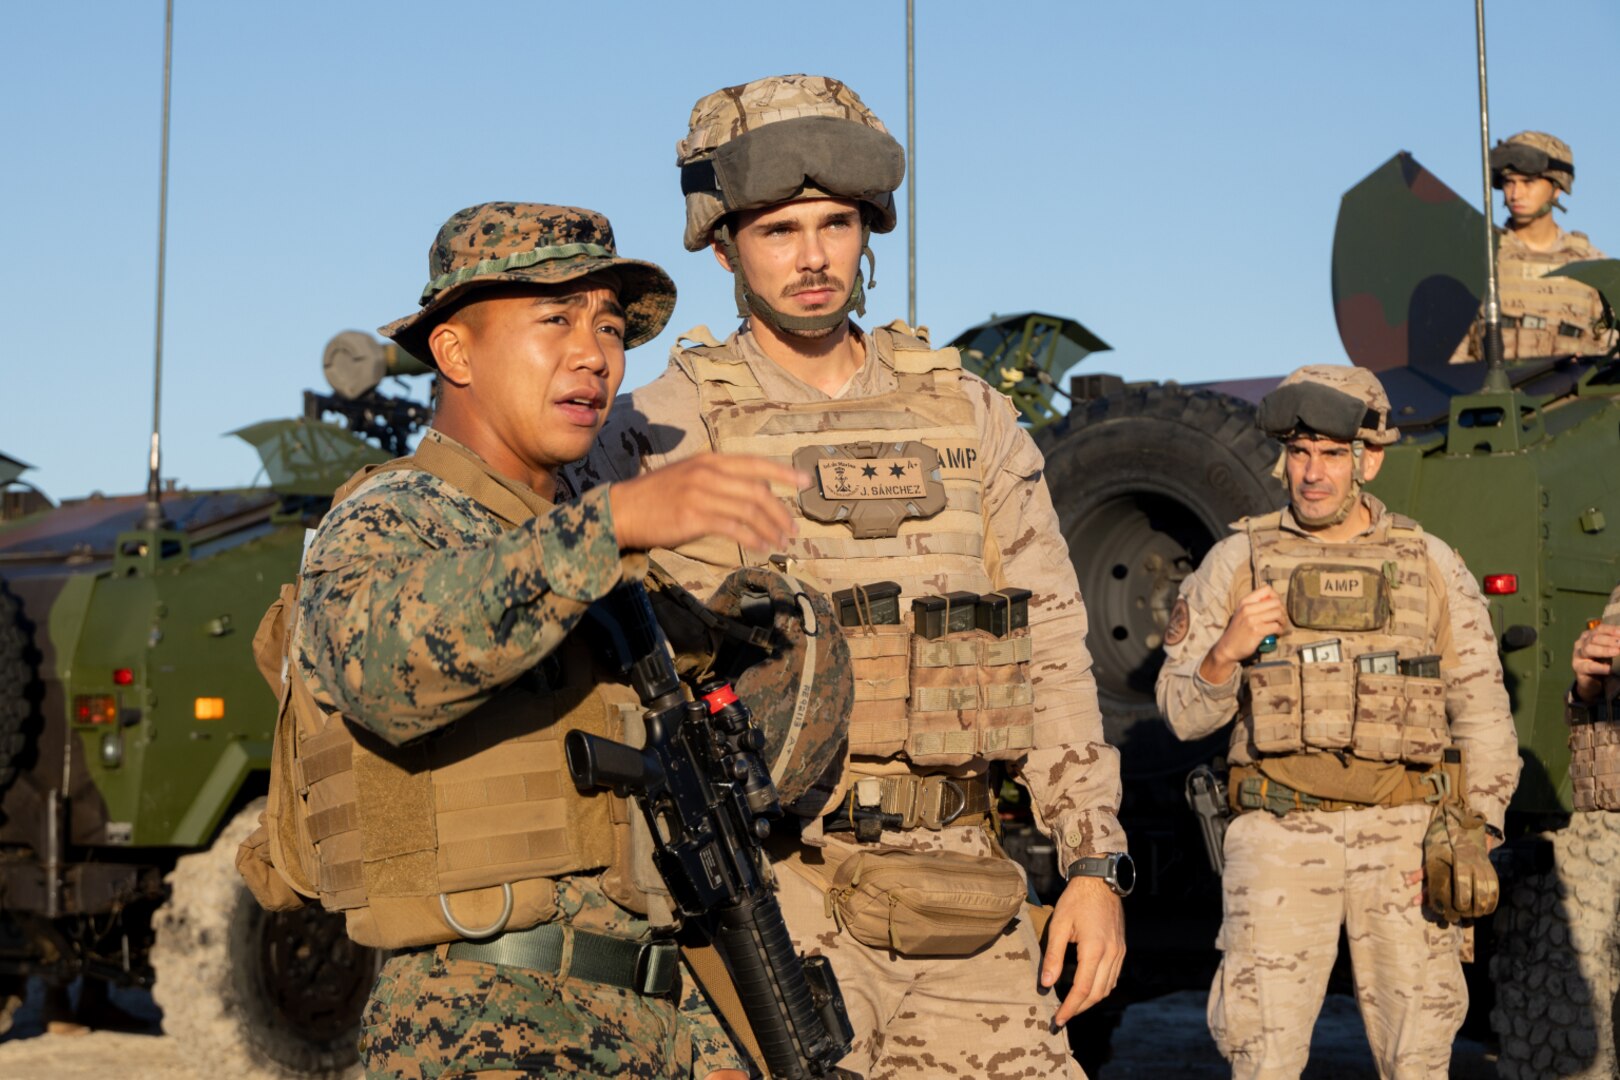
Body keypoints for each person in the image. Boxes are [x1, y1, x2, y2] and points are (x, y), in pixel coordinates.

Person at [568, 74, 1128, 1077]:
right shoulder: (657, 427)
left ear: (870, 228)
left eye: (834, 223)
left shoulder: (968, 416)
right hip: (774, 889)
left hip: (963, 884)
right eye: (779, 230)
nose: (814, 257)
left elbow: (1050, 646)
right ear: (725, 242)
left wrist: (1094, 864)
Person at [247, 202, 832, 1079]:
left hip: (663, 1017)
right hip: (487, 1021)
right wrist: (610, 526)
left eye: (607, 325)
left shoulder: (608, 561)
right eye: (554, 319)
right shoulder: (396, 513)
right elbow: (380, 665)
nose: (594, 353)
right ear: (454, 352)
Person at [1155, 364, 1522, 1078]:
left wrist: (1476, 831)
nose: (1311, 474)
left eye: (1329, 454)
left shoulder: (1431, 564)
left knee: (1418, 1058)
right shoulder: (1238, 560)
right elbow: (1178, 713)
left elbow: (1480, 713)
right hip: (1279, 840)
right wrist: (1225, 651)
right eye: (1298, 454)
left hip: (1407, 845)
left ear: (1369, 459)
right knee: (1261, 1055)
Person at [1450, 130, 1615, 362]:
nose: (1516, 194)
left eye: (1528, 182)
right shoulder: (1482, 257)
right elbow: (1452, 355)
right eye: (1509, 183)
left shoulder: (1592, 266)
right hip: (1489, 396)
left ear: (1557, 187)